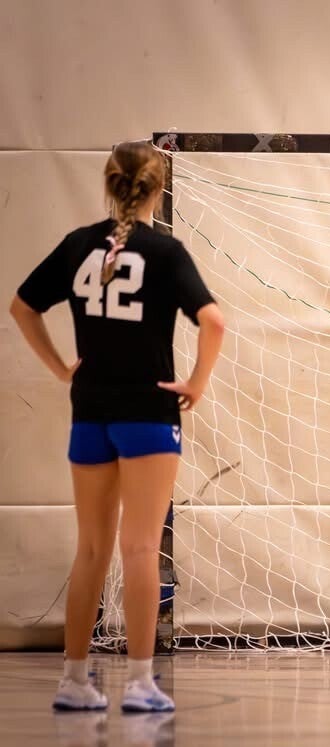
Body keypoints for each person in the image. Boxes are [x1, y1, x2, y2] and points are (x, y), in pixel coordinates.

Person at [10, 141, 225, 711]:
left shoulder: (78, 244)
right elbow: (214, 322)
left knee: (91, 550)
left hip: (90, 414)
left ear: (109, 183)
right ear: (159, 187)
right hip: (148, 416)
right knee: (140, 548)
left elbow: (22, 307)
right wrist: (197, 383)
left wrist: (61, 369)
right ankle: (139, 684)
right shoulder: (165, 251)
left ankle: (73, 682)